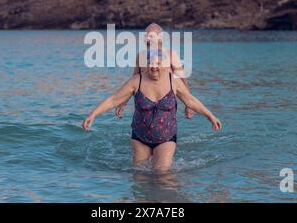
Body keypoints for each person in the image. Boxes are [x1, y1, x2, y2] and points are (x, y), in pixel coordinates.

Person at [82, 50, 222, 172]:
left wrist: (210, 116)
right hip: (140, 137)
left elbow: (190, 100)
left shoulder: (173, 80)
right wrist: (93, 114)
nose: (154, 67)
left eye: (158, 64)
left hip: (166, 137)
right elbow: (113, 100)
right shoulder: (137, 80)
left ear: (165, 65)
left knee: (162, 175)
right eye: (150, 64)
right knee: (139, 175)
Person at [115, 23, 195, 119]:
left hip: (165, 106)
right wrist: (123, 103)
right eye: (146, 36)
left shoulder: (171, 55)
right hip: (144, 105)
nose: (147, 39)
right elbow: (132, 83)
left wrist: (189, 105)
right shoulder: (141, 56)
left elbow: (183, 80)